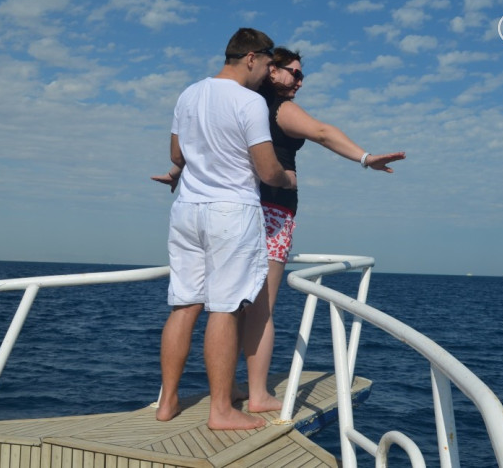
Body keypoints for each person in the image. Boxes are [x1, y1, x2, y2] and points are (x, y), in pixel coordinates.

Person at [153, 47, 405, 414]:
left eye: (302, 75)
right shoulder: (278, 109)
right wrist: (366, 158)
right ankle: (258, 394)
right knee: (260, 309)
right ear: (271, 70)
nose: (299, 81)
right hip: (270, 212)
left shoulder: (236, 102)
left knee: (227, 306)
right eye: (293, 73)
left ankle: (218, 389)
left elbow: (204, 148)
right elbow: (322, 132)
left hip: (223, 212)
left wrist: (177, 172)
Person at [155, 29, 297, 430]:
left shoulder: (189, 94)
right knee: (226, 307)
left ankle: (167, 401)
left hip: (187, 210)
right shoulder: (249, 102)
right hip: (231, 212)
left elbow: (176, 154)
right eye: (267, 64)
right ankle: (221, 410)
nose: (268, 73)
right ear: (251, 58)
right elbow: (267, 169)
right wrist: (286, 179)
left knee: (184, 304)